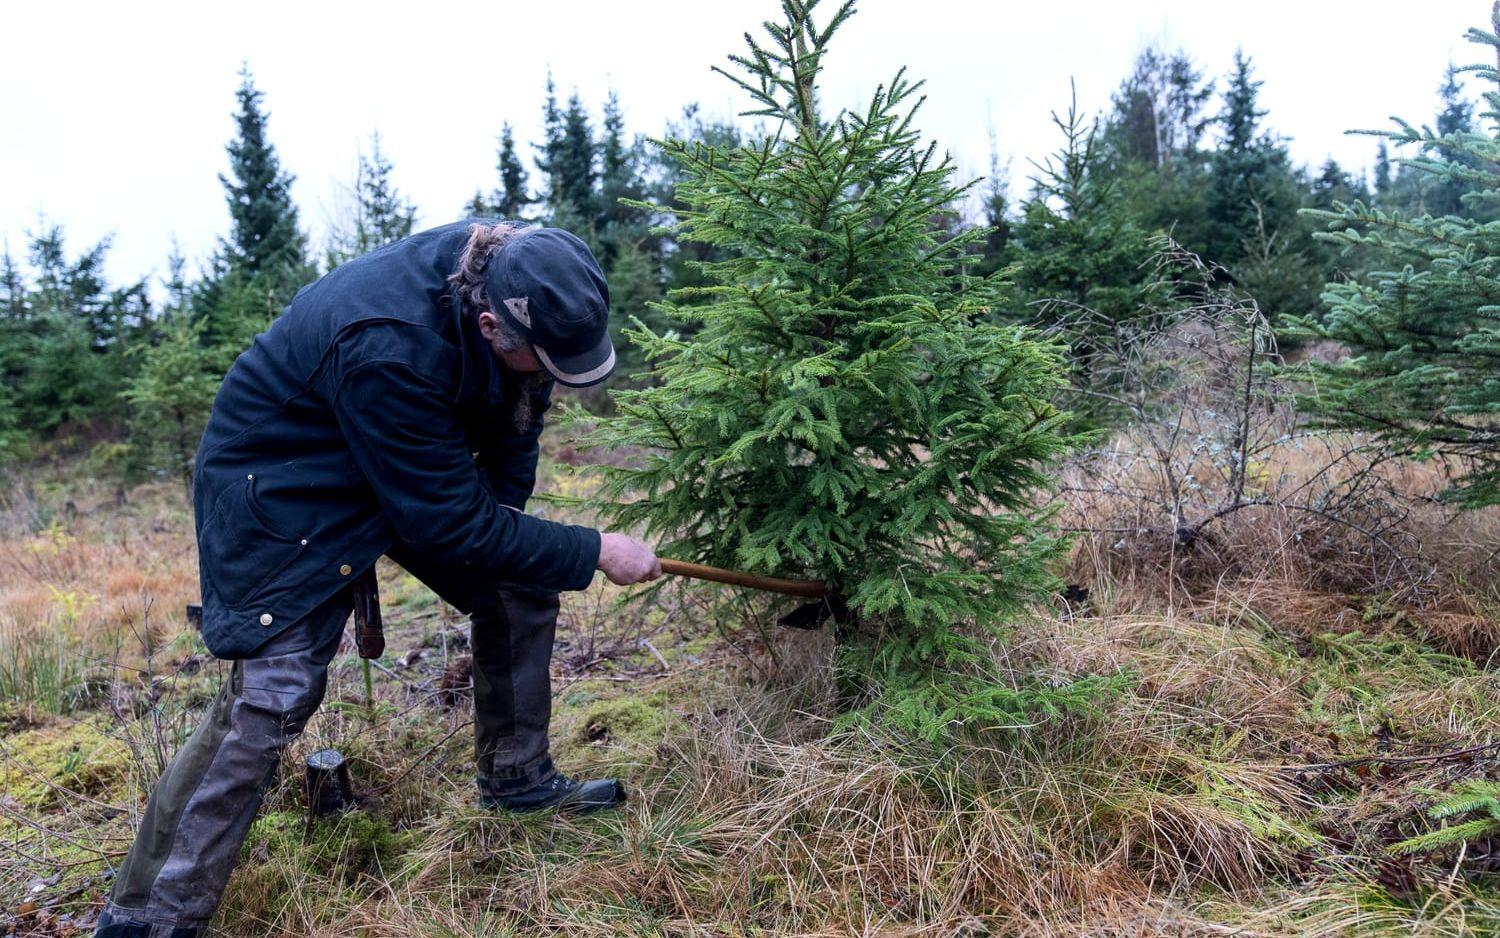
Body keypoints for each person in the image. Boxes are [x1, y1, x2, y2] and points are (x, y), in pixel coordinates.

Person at [95, 220, 661, 938]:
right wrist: (593, 548)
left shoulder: (530, 280)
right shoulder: (388, 345)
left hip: (397, 460)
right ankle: (145, 917)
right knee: (271, 696)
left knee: (517, 585)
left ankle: (518, 781)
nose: (549, 376)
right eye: (541, 361)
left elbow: (516, 423)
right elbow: (448, 523)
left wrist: (510, 530)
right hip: (280, 484)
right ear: (489, 323)